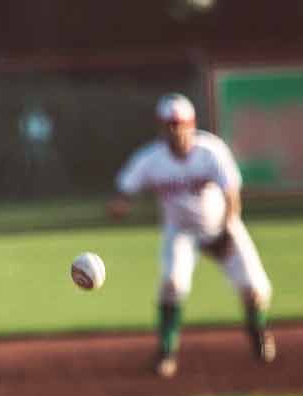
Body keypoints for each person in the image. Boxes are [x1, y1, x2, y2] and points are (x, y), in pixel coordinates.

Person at [107, 93, 276, 378]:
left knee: (255, 290)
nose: (175, 129)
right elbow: (124, 190)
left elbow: (232, 195)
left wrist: (225, 230)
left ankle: (258, 333)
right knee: (172, 284)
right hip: (180, 232)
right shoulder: (151, 159)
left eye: (180, 123)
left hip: (223, 225)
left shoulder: (211, 150)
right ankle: (166, 352)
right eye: (169, 124)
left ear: (191, 123)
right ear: (161, 127)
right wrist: (120, 205)